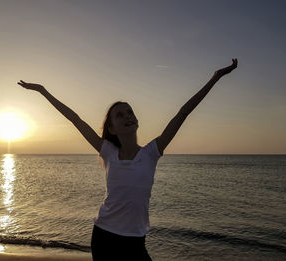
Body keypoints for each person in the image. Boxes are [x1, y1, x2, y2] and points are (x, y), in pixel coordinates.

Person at [17, 58, 238, 260]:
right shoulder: (107, 152)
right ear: (111, 128)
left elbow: (183, 113)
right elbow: (75, 118)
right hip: (104, 238)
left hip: (135, 241)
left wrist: (214, 78)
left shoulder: (151, 152)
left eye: (130, 112)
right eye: (120, 115)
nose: (128, 117)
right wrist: (43, 91)